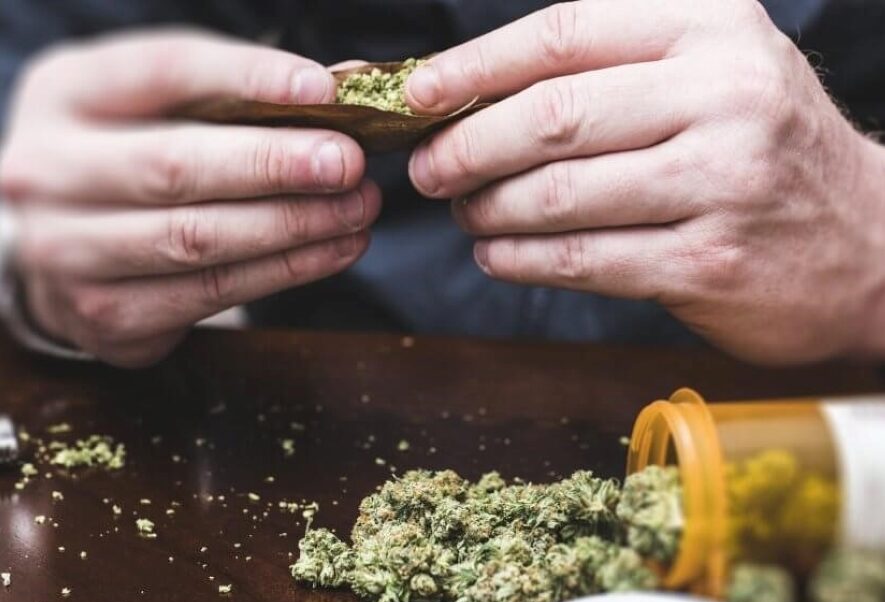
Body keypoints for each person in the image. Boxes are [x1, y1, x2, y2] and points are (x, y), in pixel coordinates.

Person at [0, 0, 883, 368]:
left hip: (812, 456)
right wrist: (36, 249)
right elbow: (39, 61)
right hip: (316, 436)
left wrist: (868, 239)